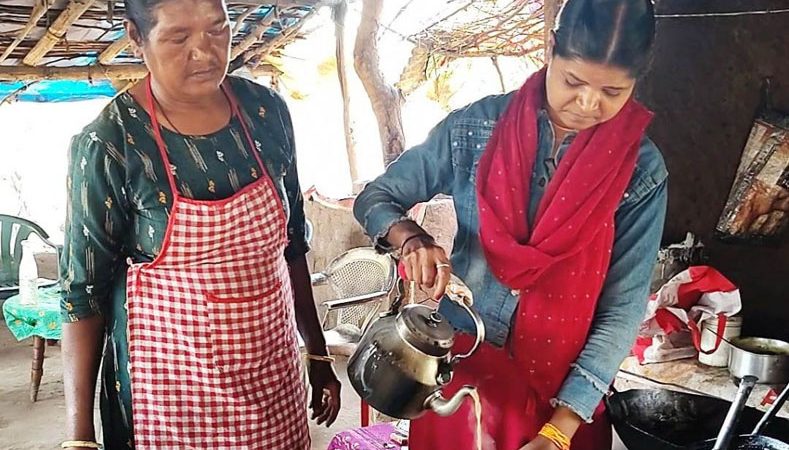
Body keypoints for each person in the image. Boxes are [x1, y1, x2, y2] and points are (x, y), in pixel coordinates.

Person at [353, 0, 667, 449]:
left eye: (613, 92)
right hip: (464, 381)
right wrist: (411, 239)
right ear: (550, 48)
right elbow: (376, 198)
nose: (588, 103)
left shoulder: (640, 172)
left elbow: (622, 309)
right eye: (573, 81)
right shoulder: (476, 128)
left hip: (564, 402)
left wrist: (558, 433)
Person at [58, 0, 340, 448]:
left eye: (217, 30)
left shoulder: (267, 112)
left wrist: (318, 351)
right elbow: (81, 294)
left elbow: (292, 246)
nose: (205, 53)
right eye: (178, 37)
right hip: (170, 393)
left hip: (273, 374)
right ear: (136, 36)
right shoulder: (110, 143)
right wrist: (79, 437)